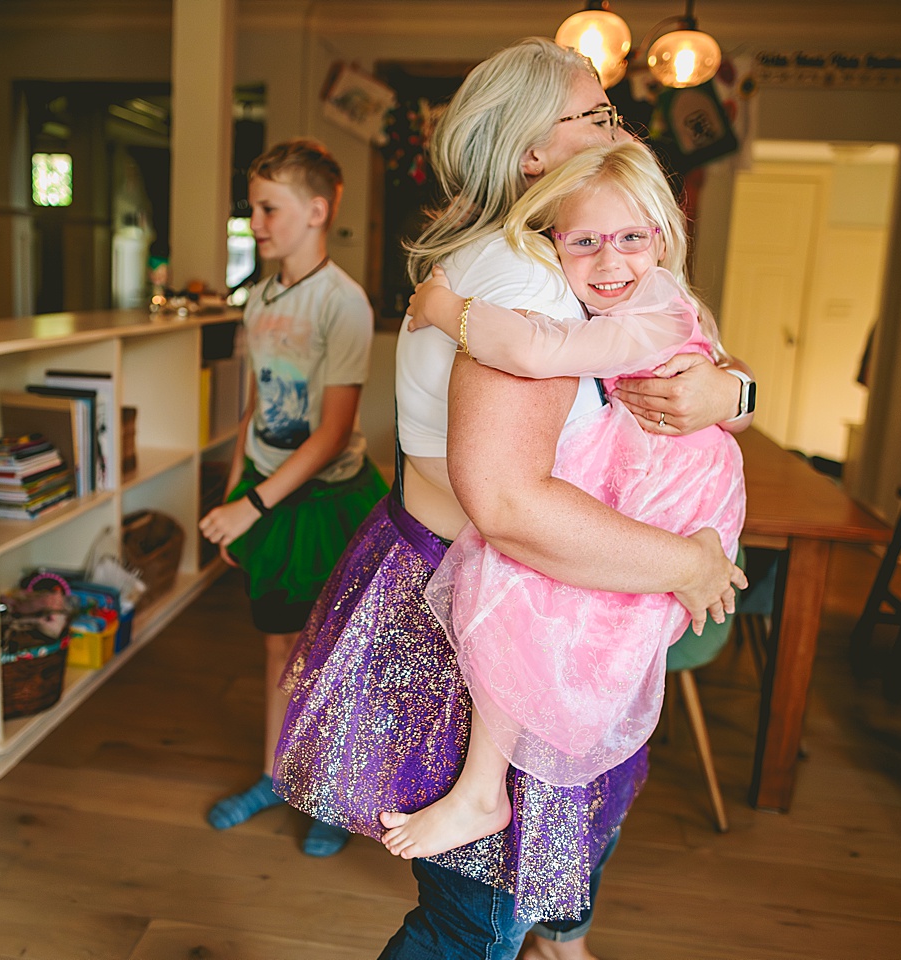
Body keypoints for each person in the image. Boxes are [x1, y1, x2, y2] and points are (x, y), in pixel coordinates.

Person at [273, 38, 752, 960]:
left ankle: (560, 940)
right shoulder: (532, 277)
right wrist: (691, 561)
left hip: (495, 578)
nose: (619, 125)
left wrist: (734, 392)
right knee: (473, 921)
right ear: (532, 147)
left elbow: (683, 352)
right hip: (492, 602)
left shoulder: (530, 255)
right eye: (598, 114)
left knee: (521, 879)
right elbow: (508, 502)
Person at [378, 140, 746, 860]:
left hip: (669, 492)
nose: (610, 264)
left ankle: (486, 795)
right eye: (584, 243)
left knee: (527, 588)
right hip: (649, 477)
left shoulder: (658, 307)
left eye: (633, 239)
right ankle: (510, 815)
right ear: (553, 241)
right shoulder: (638, 295)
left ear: (665, 237)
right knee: (524, 586)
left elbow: (541, 353)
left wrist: (449, 309)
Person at [197, 139, 388, 858]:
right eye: (251, 208)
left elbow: (333, 431)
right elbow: (257, 400)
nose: (254, 222)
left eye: (267, 208)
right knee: (279, 647)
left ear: (315, 211)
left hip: (326, 503)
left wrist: (256, 505)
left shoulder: (344, 304)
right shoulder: (261, 295)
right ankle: (276, 776)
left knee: (332, 656)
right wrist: (235, 487)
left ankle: (331, 794)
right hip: (269, 494)